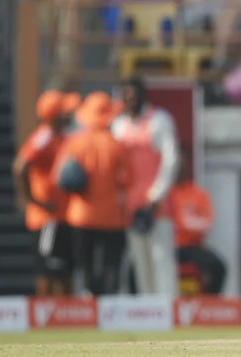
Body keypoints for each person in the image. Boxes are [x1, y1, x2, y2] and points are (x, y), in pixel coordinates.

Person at [53, 92, 128, 297]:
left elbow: (59, 178)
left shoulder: (74, 142)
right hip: (111, 217)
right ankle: (109, 305)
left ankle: (87, 302)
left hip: (81, 214)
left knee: (84, 266)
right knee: (110, 266)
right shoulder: (116, 145)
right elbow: (126, 180)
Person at [111, 77, 179, 298]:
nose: (131, 101)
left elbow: (171, 160)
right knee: (140, 262)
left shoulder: (159, 120)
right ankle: (148, 314)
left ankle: (169, 311)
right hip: (130, 206)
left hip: (157, 207)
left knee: (161, 259)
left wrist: (157, 195)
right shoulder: (119, 126)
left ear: (143, 96)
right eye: (127, 96)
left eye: (135, 96)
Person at [14, 90, 80, 296]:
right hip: (47, 218)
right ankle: (47, 320)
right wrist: (32, 200)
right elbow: (20, 166)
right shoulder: (45, 136)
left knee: (64, 270)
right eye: (65, 112)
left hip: (60, 216)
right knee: (50, 271)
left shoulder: (61, 136)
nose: (70, 115)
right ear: (55, 116)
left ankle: (64, 318)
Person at [166, 148, 225, 294]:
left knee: (218, 267)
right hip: (166, 247)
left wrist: (184, 223)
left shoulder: (198, 194)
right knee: (135, 270)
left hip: (191, 247)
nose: (178, 167)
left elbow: (206, 222)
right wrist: (186, 222)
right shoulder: (163, 193)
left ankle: (210, 308)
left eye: (181, 163)